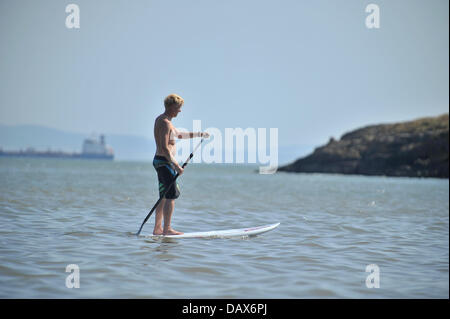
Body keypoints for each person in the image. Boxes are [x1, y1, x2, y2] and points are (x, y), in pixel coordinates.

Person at [153, 93, 209, 235]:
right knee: (171, 195)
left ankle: (157, 229)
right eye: (178, 107)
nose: (180, 110)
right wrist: (177, 166)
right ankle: (167, 229)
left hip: (159, 161)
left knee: (163, 195)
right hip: (165, 162)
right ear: (171, 107)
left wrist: (198, 134)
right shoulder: (165, 123)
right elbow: (165, 147)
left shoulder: (162, 120)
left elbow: (180, 135)